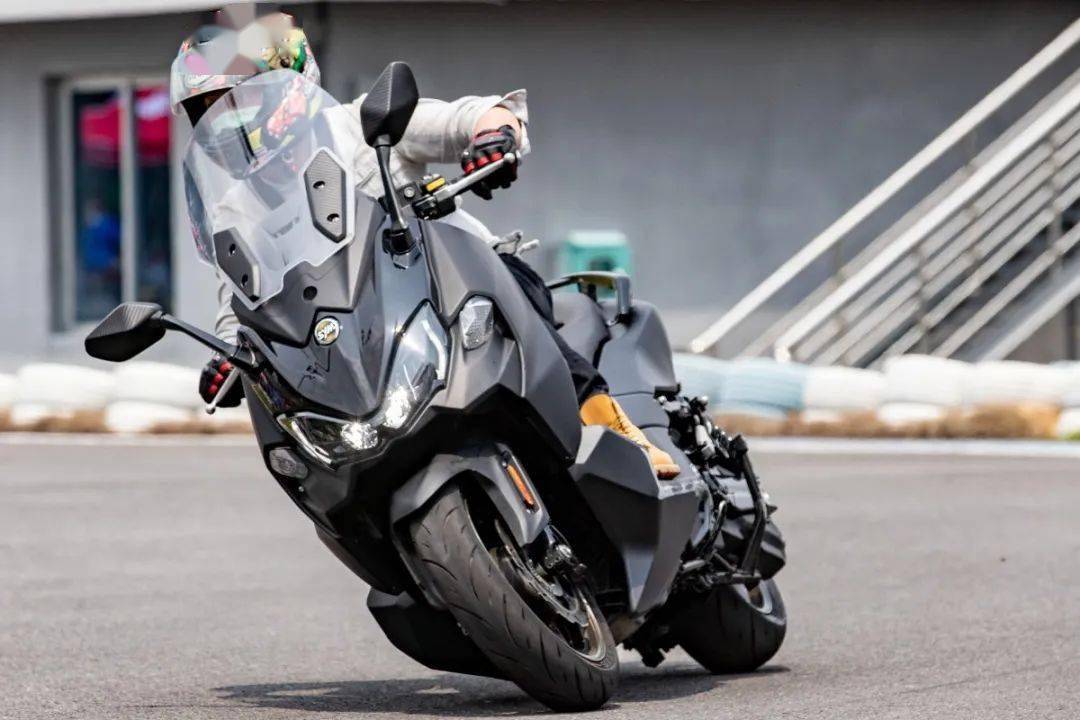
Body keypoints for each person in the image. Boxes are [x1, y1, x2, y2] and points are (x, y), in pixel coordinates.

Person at [172, 8, 679, 478]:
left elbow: (469, 116)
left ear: (283, 87)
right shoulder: (236, 209)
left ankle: (618, 433)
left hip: (458, 295)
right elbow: (242, 299)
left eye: (235, 102)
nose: (222, 121)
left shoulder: (360, 125)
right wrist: (230, 358)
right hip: (367, 341)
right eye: (207, 109)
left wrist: (493, 136)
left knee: (513, 300)